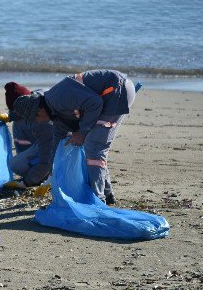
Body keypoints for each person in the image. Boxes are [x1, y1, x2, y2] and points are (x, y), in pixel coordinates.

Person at [12, 70, 137, 205]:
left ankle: (97, 201)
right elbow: (57, 142)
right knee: (94, 147)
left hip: (115, 91)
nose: (38, 122)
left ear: (39, 111)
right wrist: (51, 177)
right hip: (110, 95)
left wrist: (82, 132)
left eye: (34, 119)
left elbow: (95, 103)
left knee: (94, 147)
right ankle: (107, 195)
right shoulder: (54, 113)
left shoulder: (58, 98)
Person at [0, 82, 55, 190]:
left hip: (68, 144)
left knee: (16, 165)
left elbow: (47, 160)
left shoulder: (45, 122)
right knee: (18, 123)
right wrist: (10, 116)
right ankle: (35, 169)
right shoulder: (35, 99)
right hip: (46, 141)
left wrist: (27, 182)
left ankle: (46, 174)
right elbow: (22, 109)